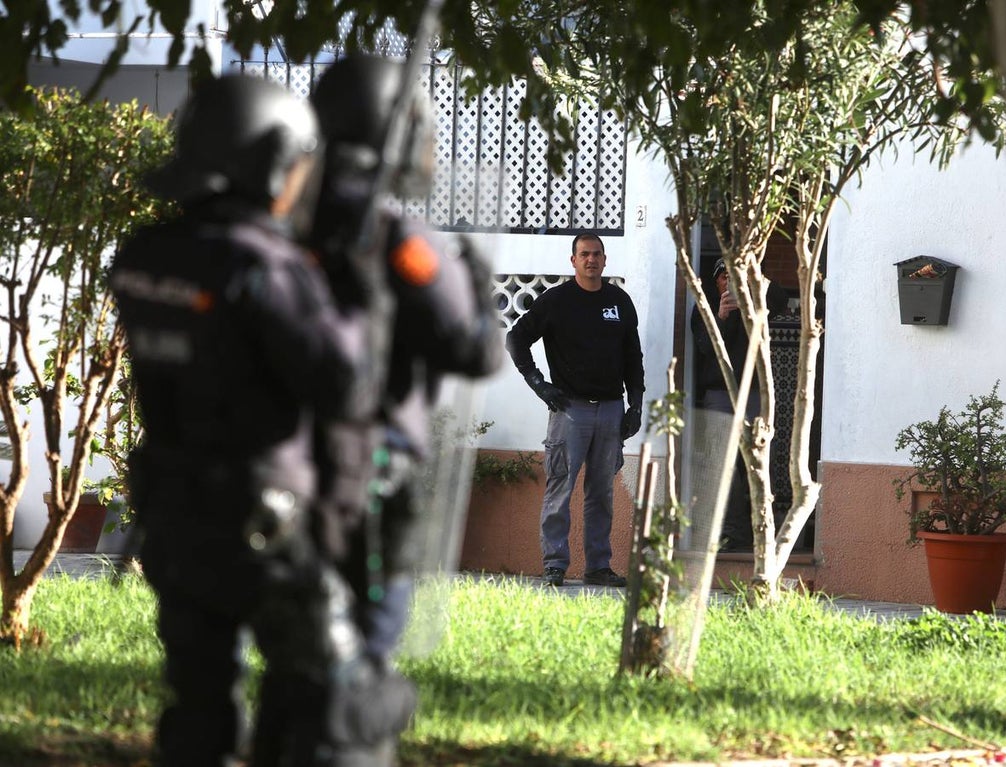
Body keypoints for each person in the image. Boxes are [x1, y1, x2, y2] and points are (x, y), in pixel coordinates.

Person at [110, 75, 410, 767]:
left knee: (197, 708)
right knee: (340, 700)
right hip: (263, 526)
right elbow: (345, 384)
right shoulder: (262, 266)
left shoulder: (143, 254)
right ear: (272, 162)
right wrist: (363, 298)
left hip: (173, 516)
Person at [307, 54, 504, 665]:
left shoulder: (280, 225)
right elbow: (476, 351)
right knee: (365, 657)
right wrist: (477, 285)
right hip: (368, 472)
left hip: (284, 464)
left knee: (298, 649)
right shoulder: (398, 238)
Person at [505, 233, 645, 588]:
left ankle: (598, 566)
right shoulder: (556, 301)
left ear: (605, 259)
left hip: (611, 410)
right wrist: (538, 383)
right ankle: (554, 564)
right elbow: (515, 339)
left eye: (597, 254)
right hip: (569, 410)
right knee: (560, 489)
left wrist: (636, 404)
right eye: (584, 254)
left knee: (602, 493)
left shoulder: (619, 302)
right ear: (573, 260)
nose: (591, 260)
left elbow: (633, 356)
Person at [690, 259, 788, 552]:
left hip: (756, 394)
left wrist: (754, 283)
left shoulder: (758, 305)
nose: (730, 283)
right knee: (724, 466)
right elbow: (704, 347)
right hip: (720, 395)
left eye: (737, 277)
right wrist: (720, 318)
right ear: (715, 282)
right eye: (724, 277)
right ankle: (732, 532)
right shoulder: (706, 307)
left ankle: (762, 530)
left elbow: (780, 299)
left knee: (759, 463)